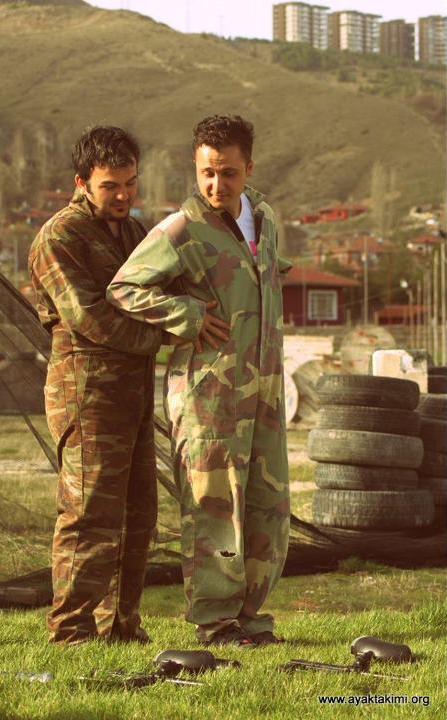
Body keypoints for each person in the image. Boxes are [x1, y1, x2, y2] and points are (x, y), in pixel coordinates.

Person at [107, 115, 291, 647]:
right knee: (214, 507)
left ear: (248, 167)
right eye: (207, 172)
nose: (216, 185)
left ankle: (250, 616)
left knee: (267, 505)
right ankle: (215, 620)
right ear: (195, 166)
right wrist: (185, 314)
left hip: (265, 391)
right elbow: (124, 288)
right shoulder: (181, 228)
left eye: (228, 173)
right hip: (208, 394)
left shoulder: (266, 219)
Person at [29, 126, 169, 644]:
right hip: (86, 390)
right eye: (110, 186)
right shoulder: (59, 237)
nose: (124, 195)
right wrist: (162, 337)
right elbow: (88, 317)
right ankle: (71, 628)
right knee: (89, 512)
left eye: (130, 183)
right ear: (82, 182)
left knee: (137, 513)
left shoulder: (134, 234)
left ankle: (120, 625)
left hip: (133, 391)